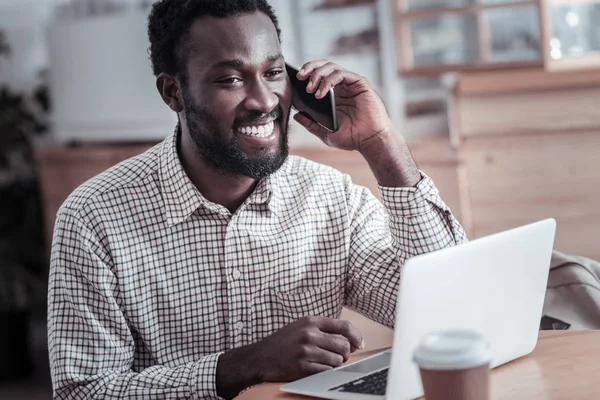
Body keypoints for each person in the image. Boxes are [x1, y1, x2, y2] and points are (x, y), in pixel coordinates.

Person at [47, 0, 467, 399]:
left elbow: (449, 312)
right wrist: (241, 366)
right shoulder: (93, 218)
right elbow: (83, 390)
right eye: (230, 79)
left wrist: (381, 144)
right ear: (173, 92)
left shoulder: (331, 200)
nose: (264, 101)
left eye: (272, 73)